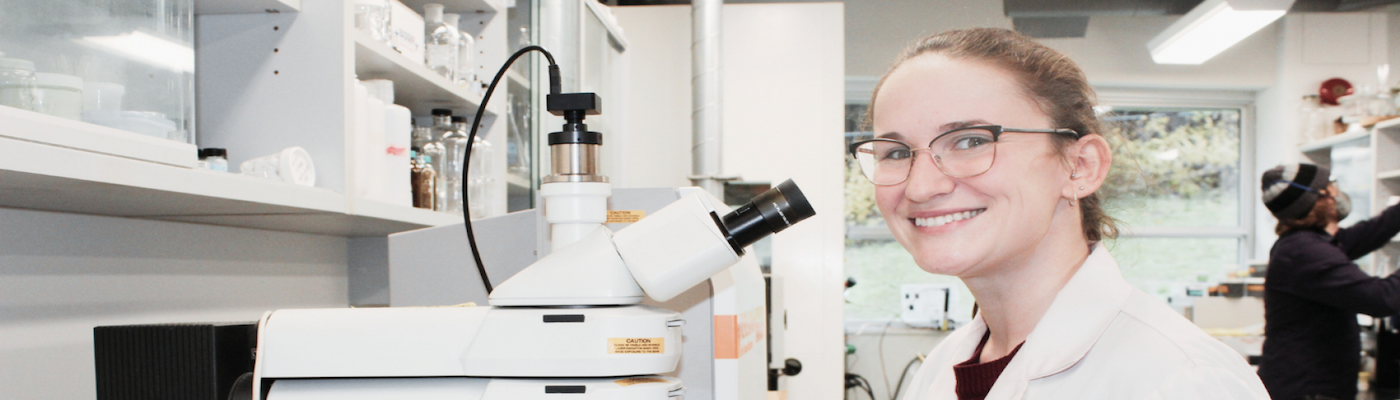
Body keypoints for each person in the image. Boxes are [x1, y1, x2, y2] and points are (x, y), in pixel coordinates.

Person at [851, 28, 1268, 399]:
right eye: (897, 152)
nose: (921, 186)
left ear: (1080, 166)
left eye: (970, 141)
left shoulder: (1183, 381)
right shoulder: (943, 369)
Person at [1256, 163, 1400, 400]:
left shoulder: (1303, 243)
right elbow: (1381, 299)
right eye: (1330, 188)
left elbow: (1369, 233)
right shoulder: (1306, 252)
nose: (1336, 194)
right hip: (1307, 390)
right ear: (1317, 200)